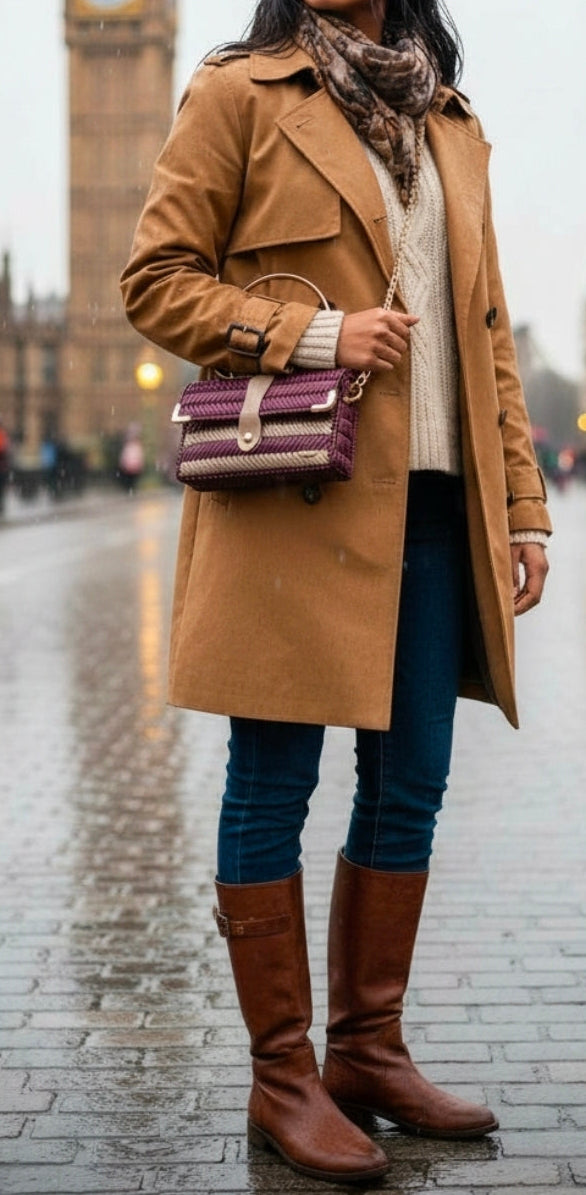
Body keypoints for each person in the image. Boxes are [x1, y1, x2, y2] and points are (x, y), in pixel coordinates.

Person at [121, 0, 551, 1183]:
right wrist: (312, 337)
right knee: (272, 786)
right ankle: (282, 1078)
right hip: (294, 502)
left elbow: (486, 332)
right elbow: (154, 279)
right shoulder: (238, 95)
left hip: (432, 508)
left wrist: (519, 503)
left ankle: (367, 1050)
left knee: (408, 787)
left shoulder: (450, 119)